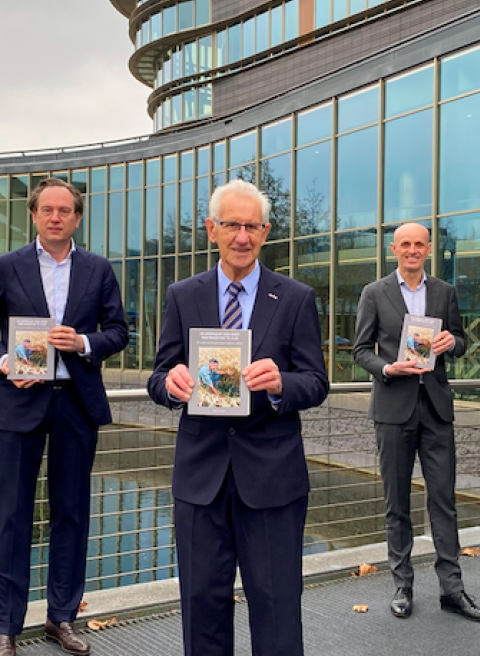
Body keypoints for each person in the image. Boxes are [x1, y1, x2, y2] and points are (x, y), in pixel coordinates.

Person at [147, 179, 329, 656]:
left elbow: (316, 382)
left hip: (272, 480)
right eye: (232, 225)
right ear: (212, 229)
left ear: (266, 232)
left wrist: (281, 385)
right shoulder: (182, 295)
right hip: (200, 479)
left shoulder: (294, 298)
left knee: (276, 606)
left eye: (252, 226)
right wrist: (169, 385)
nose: (242, 236)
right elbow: (160, 373)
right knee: (202, 605)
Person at [0, 177, 128, 656]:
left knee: (71, 514)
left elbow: (119, 331)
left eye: (65, 210)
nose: (56, 217)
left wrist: (83, 342)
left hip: (76, 403)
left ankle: (62, 618)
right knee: (12, 516)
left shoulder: (98, 270)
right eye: (47, 210)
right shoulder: (7, 266)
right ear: (34, 215)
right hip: (19, 404)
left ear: (77, 218)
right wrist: (3, 361)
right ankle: (7, 628)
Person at [351, 222, 480, 623]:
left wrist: (453, 342)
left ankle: (452, 590)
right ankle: (402, 585)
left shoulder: (444, 292)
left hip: (435, 409)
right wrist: (387, 367)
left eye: (420, 244)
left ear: (429, 249)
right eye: (406, 244)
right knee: (397, 502)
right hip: (393, 408)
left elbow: (462, 341)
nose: (413, 250)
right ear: (394, 248)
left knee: (443, 501)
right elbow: (360, 350)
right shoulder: (374, 293)